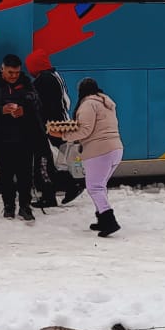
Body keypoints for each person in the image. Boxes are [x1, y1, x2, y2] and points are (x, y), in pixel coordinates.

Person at [0, 54, 44, 222]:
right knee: (5, 175)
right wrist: (1, 110)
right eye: (10, 73)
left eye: (16, 73)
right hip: (1, 136)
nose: (14, 76)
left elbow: (37, 103)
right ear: (3, 69)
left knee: (25, 174)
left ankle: (25, 206)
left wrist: (24, 109)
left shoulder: (26, 82)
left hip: (24, 136)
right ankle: (8, 206)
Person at [59, 77, 123, 237]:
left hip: (99, 151)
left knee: (95, 187)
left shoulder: (88, 104)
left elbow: (85, 130)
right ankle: (102, 219)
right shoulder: (106, 102)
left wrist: (64, 135)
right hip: (115, 149)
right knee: (100, 186)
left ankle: (109, 221)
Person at [26, 49, 81, 208]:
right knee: (53, 160)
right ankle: (67, 187)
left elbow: (41, 105)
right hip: (61, 123)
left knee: (45, 161)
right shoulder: (55, 76)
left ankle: (58, 191)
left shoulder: (43, 80)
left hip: (51, 126)